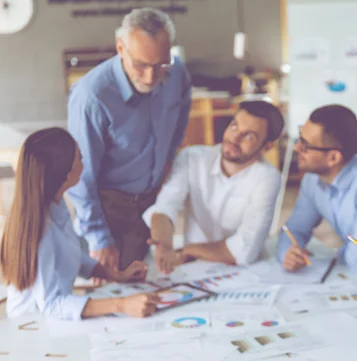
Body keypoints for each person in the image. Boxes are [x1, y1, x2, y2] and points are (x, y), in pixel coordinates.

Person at [66, 8, 192, 271]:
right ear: (120, 48)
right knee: (104, 284)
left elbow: (180, 118)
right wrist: (98, 237)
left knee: (142, 278)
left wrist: (168, 158)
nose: (151, 77)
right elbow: (80, 176)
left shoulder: (177, 72)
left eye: (159, 65)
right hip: (107, 208)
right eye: (141, 65)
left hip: (149, 202)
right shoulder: (92, 97)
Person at [1, 128, 159, 320]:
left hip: (55, 319)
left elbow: (71, 255)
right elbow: (51, 305)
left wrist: (116, 275)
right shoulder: (39, 231)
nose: (84, 161)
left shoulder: (56, 204)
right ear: (65, 174)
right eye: (79, 158)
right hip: (33, 328)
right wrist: (122, 304)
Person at [144, 101, 284, 274]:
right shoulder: (192, 157)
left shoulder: (268, 177)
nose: (235, 138)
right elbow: (165, 207)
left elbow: (246, 249)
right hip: (191, 266)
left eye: (249, 136)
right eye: (234, 126)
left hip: (242, 271)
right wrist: (163, 245)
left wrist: (186, 250)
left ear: (266, 147)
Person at [276, 105, 357, 273]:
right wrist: (287, 252)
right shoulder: (312, 179)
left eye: (305, 145)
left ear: (333, 157)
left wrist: (339, 254)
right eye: (299, 139)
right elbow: (294, 229)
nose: (296, 148)